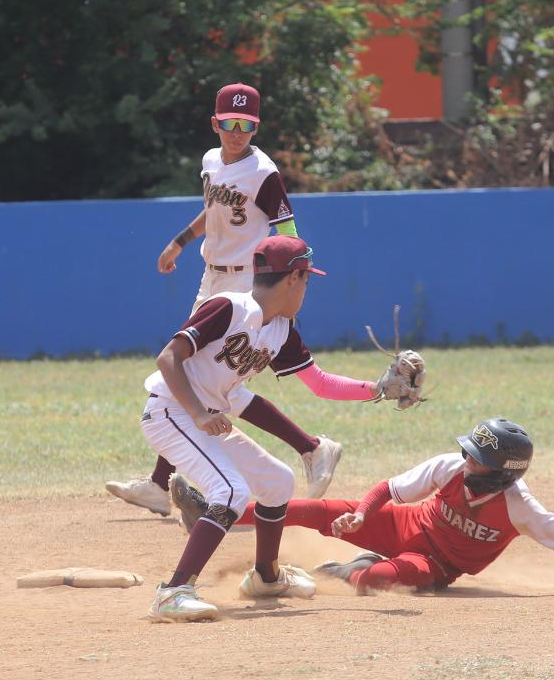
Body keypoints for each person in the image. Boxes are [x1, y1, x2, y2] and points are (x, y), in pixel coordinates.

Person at [106, 82, 342, 519]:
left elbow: (288, 231)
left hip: (245, 283)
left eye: (247, 125)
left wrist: (294, 272)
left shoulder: (263, 173)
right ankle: (309, 448)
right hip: (211, 275)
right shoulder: (212, 160)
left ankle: (305, 450)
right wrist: (178, 241)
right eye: (230, 123)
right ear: (215, 123)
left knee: (206, 377)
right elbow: (214, 209)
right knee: (203, 377)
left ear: (256, 127)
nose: (237, 132)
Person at [143, 235, 385, 622]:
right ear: (293, 278)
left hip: (204, 419)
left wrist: (379, 389)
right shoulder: (226, 307)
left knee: (277, 480)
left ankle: (266, 578)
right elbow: (168, 358)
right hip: (170, 413)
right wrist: (200, 413)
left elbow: (320, 383)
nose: (307, 287)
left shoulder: (281, 330)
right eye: (307, 279)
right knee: (231, 490)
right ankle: (173, 591)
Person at [169, 417, 554, 599]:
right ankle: (221, 514)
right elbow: (390, 488)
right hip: (402, 524)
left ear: (499, 473)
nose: (466, 458)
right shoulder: (452, 467)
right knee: (317, 509)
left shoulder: (517, 505)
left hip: (433, 562)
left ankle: (349, 568)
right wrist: (364, 515)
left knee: (377, 580)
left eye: (478, 457)